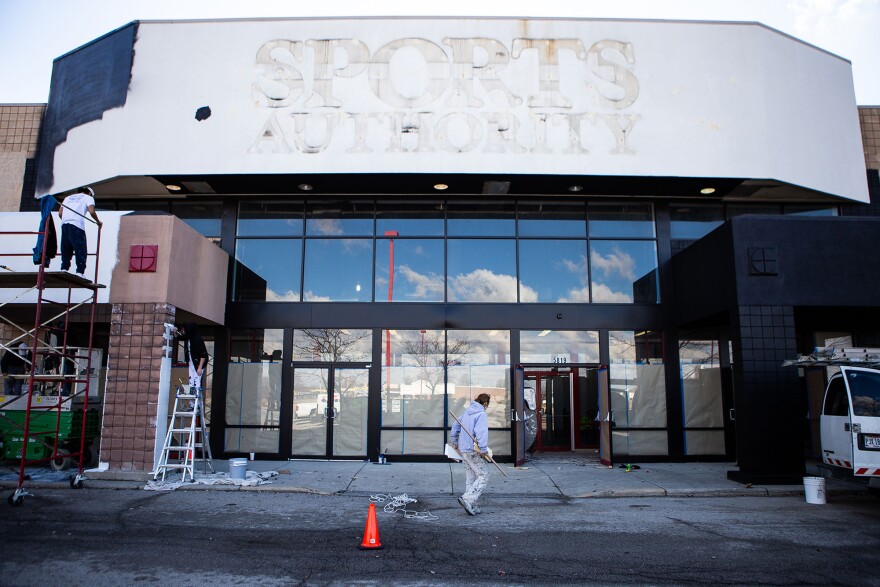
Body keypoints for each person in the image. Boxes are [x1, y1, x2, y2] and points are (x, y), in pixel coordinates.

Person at [450, 393, 492, 515]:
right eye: (487, 404)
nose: (487, 407)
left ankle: (471, 505)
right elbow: (481, 432)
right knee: (484, 475)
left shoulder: (467, 411)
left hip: (464, 449)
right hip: (473, 450)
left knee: (471, 477)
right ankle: (468, 499)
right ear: (485, 403)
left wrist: (454, 440)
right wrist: (483, 449)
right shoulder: (481, 414)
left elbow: (456, 425)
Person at [59, 186, 102, 278]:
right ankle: (80, 272)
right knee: (80, 248)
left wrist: (67, 220)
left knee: (66, 248)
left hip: (65, 224)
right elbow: (91, 211)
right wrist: (98, 222)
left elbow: (60, 213)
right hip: (77, 225)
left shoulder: (68, 198)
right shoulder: (88, 198)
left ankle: (64, 268)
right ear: (90, 193)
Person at [176, 323, 208, 390]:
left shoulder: (197, 340)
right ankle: (192, 400)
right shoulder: (189, 338)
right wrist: (175, 332)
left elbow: (203, 355)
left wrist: (200, 367)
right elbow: (180, 336)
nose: (183, 331)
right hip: (192, 362)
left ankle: (197, 399)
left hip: (198, 363)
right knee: (191, 382)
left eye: (184, 330)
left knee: (197, 382)